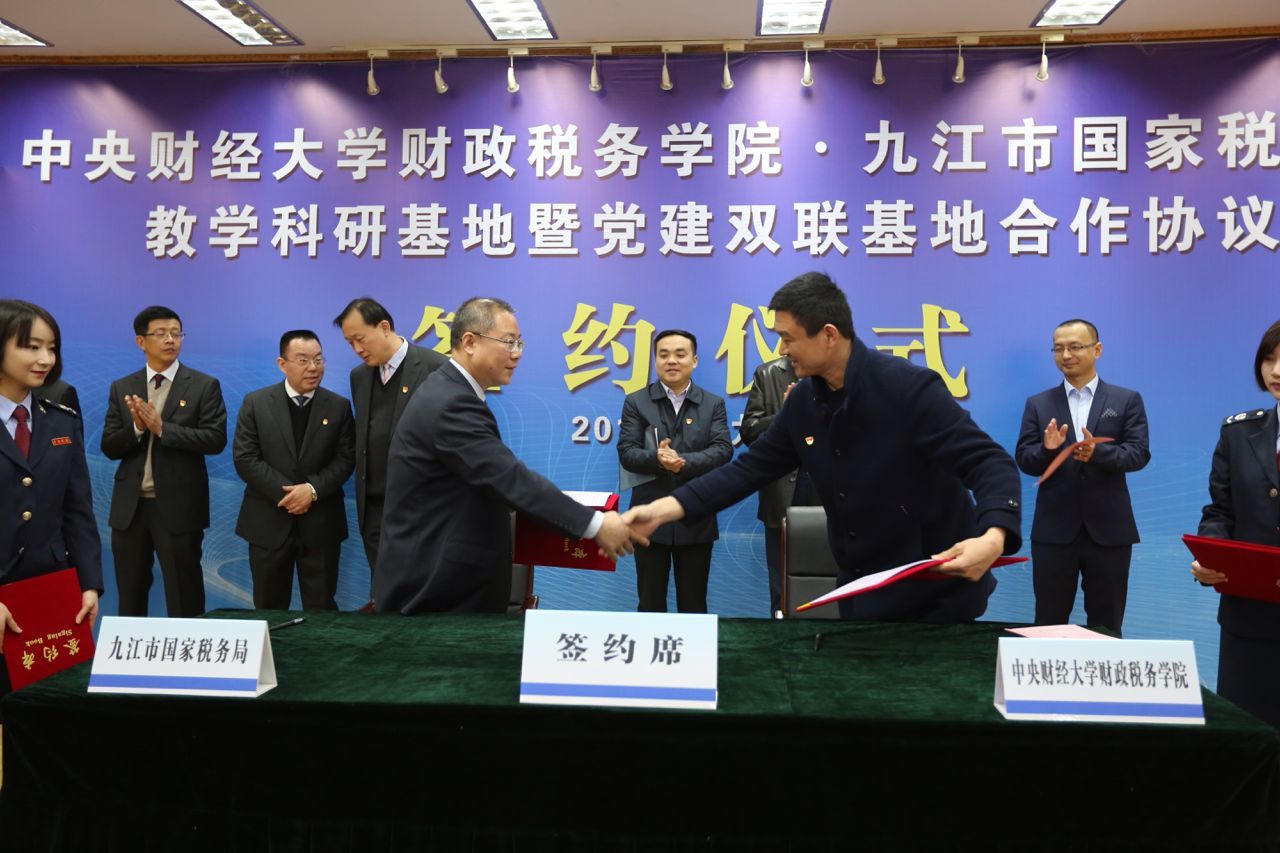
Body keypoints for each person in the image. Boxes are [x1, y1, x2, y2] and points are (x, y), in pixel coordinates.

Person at [622, 272, 1022, 623]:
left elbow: (988, 462)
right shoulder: (804, 402)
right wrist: (664, 510)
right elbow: (749, 470)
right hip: (862, 589)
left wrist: (992, 538)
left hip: (935, 590)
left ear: (828, 335)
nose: (782, 350)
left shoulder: (908, 389)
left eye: (788, 338)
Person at [374, 297, 644, 614]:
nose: (517, 353)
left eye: (519, 343)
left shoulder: (450, 392)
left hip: (443, 584)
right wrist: (595, 524)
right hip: (433, 593)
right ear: (469, 342)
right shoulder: (450, 403)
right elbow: (508, 479)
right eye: (508, 342)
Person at [1014, 319, 1150, 634]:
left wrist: (1098, 453)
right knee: (1048, 623)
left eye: (1075, 347)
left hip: (1109, 531)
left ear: (1096, 350)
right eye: (1058, 348)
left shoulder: (1125, 400)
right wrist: (1048, 450)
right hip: (1054, 531)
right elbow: (1025, 459)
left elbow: (1138, 453)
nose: (1066, 355)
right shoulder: (1038, 404)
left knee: (1107, 625)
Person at [101, 306, 226, 617]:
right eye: (161, 334)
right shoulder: (122, 387)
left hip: (179, 507)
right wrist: (136, 428)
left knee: (185, 597)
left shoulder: (203, 385)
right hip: (130, 510)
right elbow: (110, 446)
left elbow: (215, 439)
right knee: (130, 596)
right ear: (140, 341)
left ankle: (189, 649)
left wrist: (162, 429)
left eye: (176, 333)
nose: (171, 340)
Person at [0, 300, 102, 661]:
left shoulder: (62, 420)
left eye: (52, 348)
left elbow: (77, 509)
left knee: (46, 692)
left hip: (51, 591)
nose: (45, 359)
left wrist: (89, 584)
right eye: (31, 347)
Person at [1191, 319, 1280, 730]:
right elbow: (1220, 511)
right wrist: (1210, 555)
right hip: (1249, 620)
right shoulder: (1239, 432)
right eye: (1269, 359)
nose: (1276, 371)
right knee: (1248, 736)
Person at [334, 297, 447, 610]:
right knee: (383, 593)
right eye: (349, 343)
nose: (357, 349)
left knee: (421, 596)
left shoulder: (435, 368)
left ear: (384, 327)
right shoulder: (359, 376)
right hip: (373, 509)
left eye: (360, 339)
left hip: (419, 508)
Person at [232, 330, 355, 610]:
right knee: (269, 608)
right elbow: (245, 458)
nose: (313, 368)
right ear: (282, 363)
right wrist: (289, 495)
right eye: (303, 360)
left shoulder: (338, 407)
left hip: (321, 525)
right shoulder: (256, 403)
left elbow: (346, 459)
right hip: (268, 522)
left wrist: (311, 490)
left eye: (318, 360)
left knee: (322, 609)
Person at [617, 329, 732, 613]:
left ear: (694, 360)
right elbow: (627, 452)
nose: (671, 361)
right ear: (655, 360)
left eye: (680, 354)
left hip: (696, 516)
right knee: (650, 603)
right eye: (663, 354)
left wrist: (682, 463)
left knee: (694, 605)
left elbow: (722, 450)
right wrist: (657, 459)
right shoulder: (637, 401)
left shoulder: (713, 404)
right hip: (649, 519)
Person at [741, 355, 815, 617]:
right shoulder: (768, 373)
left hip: (828, 491)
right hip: (781, 490)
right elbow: (749, 432)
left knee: (826, 578)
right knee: (781, 586)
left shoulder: (839, 374)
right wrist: (785, 413)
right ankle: (781, 630)